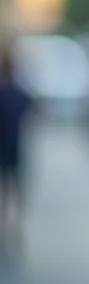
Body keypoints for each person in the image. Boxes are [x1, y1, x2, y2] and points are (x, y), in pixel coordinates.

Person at [0, 47, 32, 246]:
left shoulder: (5, 93)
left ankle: (7, 224)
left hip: (5, 146)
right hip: (15, 146)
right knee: (15, 187)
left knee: (6, 189)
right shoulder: (20, 93)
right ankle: (15, 224)